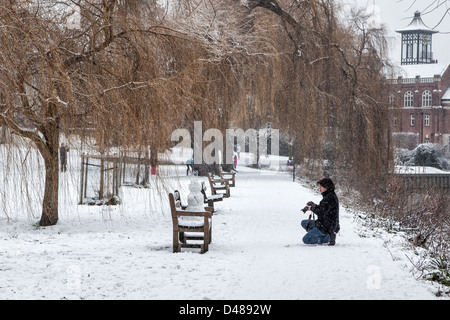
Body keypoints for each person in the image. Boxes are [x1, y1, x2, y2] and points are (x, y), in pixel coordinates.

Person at [301, 178, 340, 245]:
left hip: (327, 227)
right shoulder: (330, 195)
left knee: (306, 239)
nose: (319, 189)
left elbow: (321, 212)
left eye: (320, 187)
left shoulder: (329, 198)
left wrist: (312, 208)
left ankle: (328, 237)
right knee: (304, 223)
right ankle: (320, 234)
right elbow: (323, 209)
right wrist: (314, 206)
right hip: (324, 223)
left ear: (326, 187)